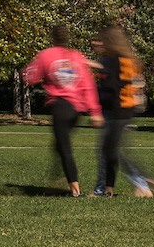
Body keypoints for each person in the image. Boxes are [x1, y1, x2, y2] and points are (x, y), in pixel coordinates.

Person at [24, 24, 102, 197]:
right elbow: (88, 85)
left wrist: (31, 74)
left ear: (53, 38)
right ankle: (55, 183)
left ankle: (75, 191)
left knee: (64, 148)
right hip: (75, 109)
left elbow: (30, 77)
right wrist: (95, 112)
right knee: (59, 147)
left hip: (60, 106)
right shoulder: (76, 57)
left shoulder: (46, 55)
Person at [92, 24, 154, 198]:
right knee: (110, 150)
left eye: (101, 40)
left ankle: (141, 180)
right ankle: (108, 189)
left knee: (109, 150)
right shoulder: (127, 59)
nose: (98, 43)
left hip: (118, 109)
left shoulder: (112, 60)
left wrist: (95, 105)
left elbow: (111, 86)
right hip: (125, 109)